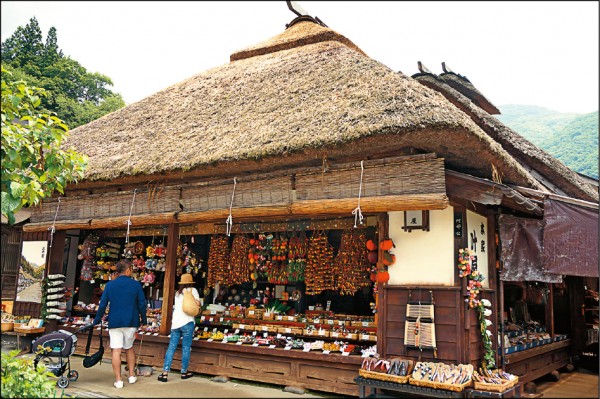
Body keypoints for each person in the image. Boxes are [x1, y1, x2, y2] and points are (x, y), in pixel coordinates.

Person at [92, 259, 147, 389]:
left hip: (115, 321)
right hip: (131, 321)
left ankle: (118, 380)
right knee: (129, 348)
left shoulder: (110, 285)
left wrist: (97, 320)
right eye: (131, 270)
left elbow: (103, 305)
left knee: (116, 350)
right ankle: (132, 375)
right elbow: (142, 305)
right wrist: (144, 321)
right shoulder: (136, 285)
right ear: (127, 270)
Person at [157, 273, 200, 382]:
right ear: (190, 282)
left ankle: (165, 373)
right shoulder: (193, 290)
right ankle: (184, 372)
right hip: (187, 322)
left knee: (171, 347)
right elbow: (198, 304)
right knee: (186, 348)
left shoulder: (178, 293)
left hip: (175, 323)